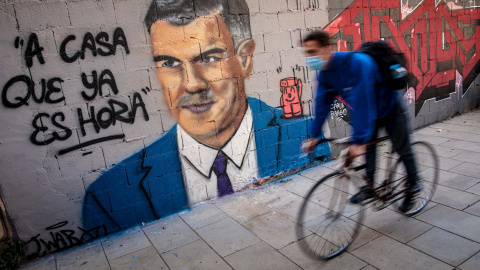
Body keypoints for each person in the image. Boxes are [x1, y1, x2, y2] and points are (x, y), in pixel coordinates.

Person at [82, 0, 330, 233]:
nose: (191, 84)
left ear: (244, 59)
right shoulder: (108, 198)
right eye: (168, 63)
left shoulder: (304, 134)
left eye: (209, 58)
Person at [301, 30, 420, 213]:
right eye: (307, 53)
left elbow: (363, 101)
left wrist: (359, 141)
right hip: (369, 111)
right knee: (368, 150)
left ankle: (413, 185)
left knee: (402, 147)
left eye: (313, 51)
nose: (310, 58)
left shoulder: (356, 64)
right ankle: (370, 188)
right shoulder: (324, 74)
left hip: (390, 106)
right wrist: (315, 135)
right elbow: (322, 104)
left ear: (327, 48)